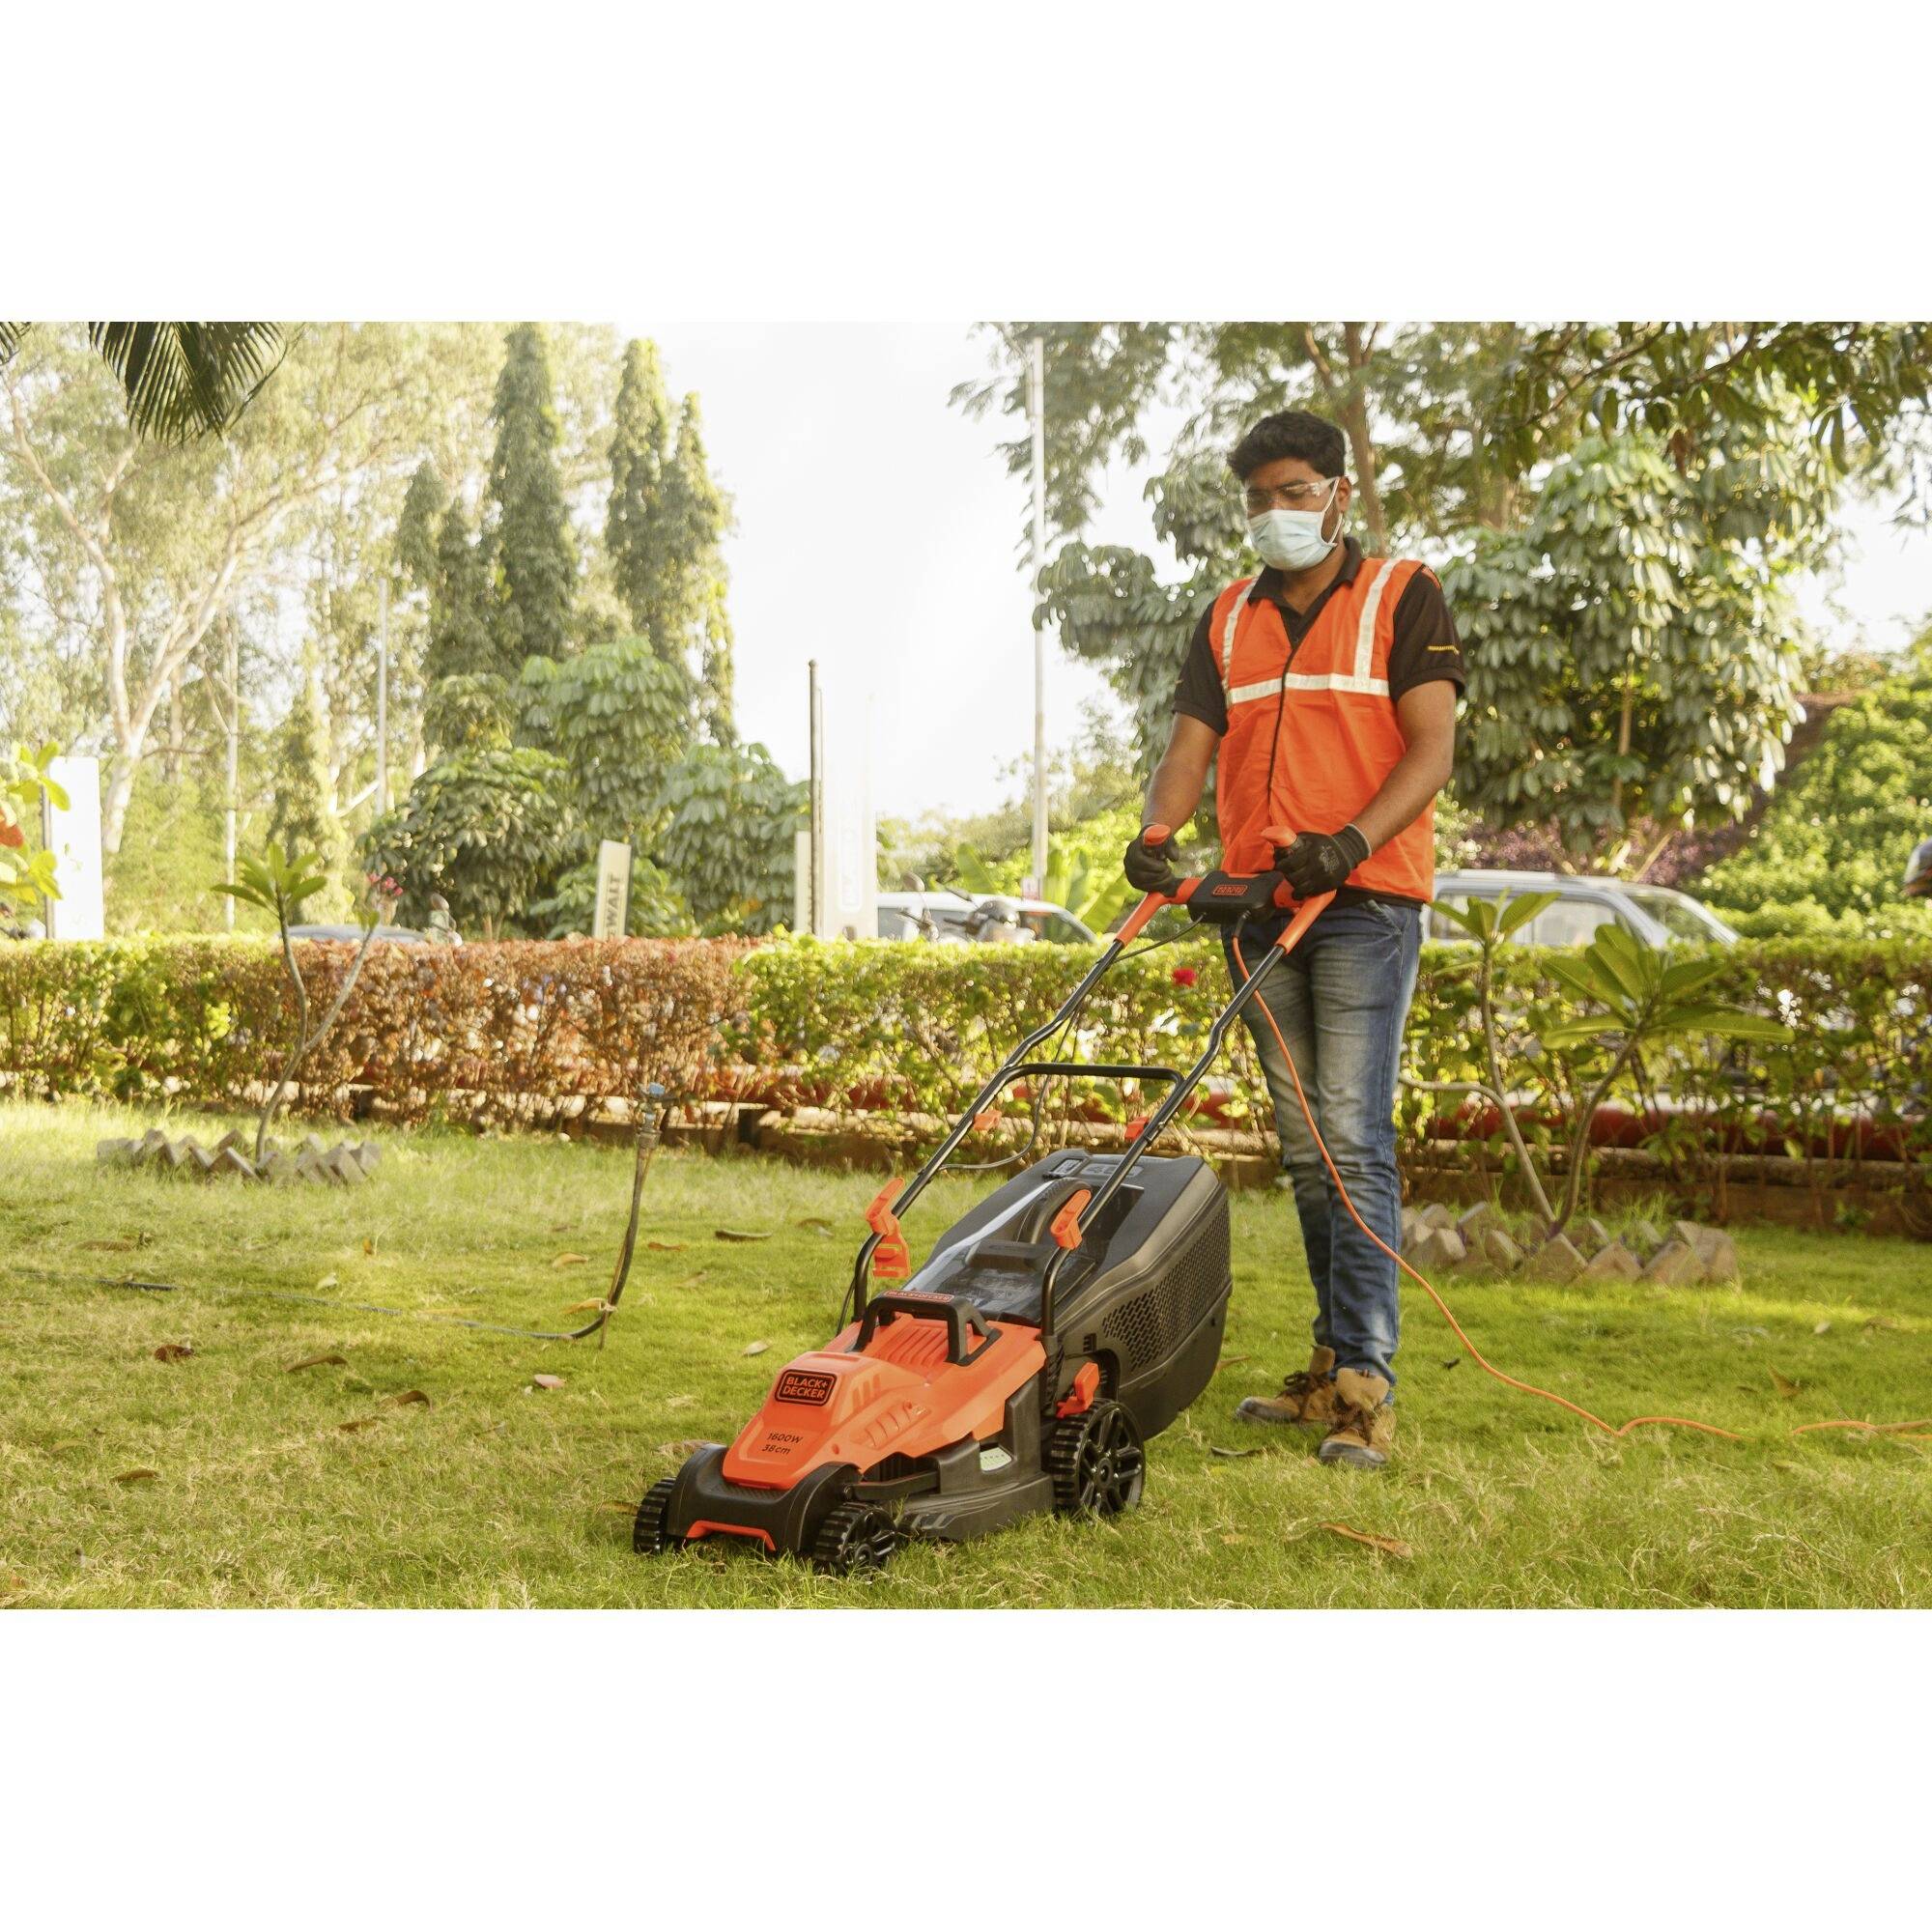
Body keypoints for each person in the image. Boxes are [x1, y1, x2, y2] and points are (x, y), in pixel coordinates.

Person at [1123, 408, 1463, 1469]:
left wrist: (1349, 840)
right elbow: (1190, 744)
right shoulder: (1227, 614)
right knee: (1309, 1160)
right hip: (1257, 907)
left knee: (1351, 1142)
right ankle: (1327, 1370)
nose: (1273, 512)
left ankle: (1367, 1389)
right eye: (1257, 498)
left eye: (1291, 491)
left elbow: (1431, 748)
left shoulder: (1403, 596)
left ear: (1337, 491)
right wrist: (1154, 832)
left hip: (1363, 901)